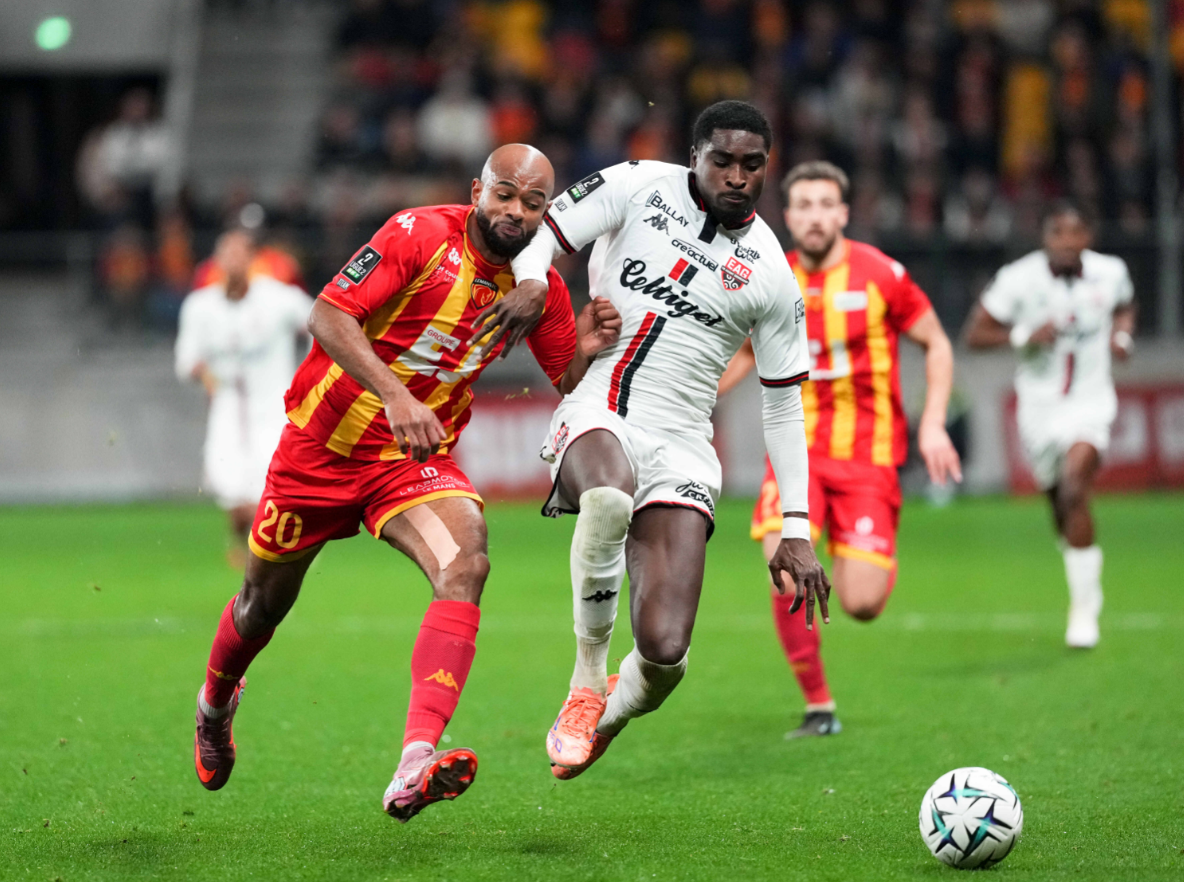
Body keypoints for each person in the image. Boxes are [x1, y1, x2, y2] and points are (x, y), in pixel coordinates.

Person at [190, 145, 623, 823]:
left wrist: (590, 355)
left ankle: (416, 759)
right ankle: (214, 705)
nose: (516, 212)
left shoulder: (542, 288)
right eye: (505, 195)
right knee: (259, 606)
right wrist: (395, 395)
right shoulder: (418, 234)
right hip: (319, 453)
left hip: (409, 464)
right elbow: (329, 316)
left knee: (467, 560)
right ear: (478, 189)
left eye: (533, 203)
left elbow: (568, 380)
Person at [499, 100, 831, 780]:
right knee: (608, 496)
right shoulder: (635, 183)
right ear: (695, 158)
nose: (737, 177)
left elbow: (782, 404)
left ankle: (610, 713)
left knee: (664, 653)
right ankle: (587, 682)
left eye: (752, 165)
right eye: (723, 161)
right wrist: (533, 282)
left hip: (682, 444)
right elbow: (545, 233)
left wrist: (796, 525)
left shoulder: (770, 271)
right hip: (602, 404)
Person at [717, 161, 962, 739]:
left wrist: (932, 424)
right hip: (795, 450)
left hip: (868, 457)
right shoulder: (768, 273)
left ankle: (869, 556)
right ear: (788, 214)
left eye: (826, 204)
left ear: (844, 213)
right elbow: (747, 354)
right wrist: (694, 399)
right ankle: (818, 704)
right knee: (783, 568)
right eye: (802, 205)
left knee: (863, 602)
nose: (814, 216)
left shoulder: (882, 274)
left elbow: (937, 343)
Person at [964, 200, 1135, 648]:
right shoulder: (1018, 279)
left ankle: (1084, 609)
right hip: (1039, 408)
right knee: (1060, 502)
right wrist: (1023, 335)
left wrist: (1122, 335)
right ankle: (1080, 554)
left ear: (1088, 237)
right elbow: (974, 335)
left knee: (1077, 484)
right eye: (1057, 232)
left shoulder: (1111, 272)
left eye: (1074, 232)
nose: (1065, 241)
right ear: (1045, 237)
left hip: (1091, 401)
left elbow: (1125, 305)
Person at [174, 229, 315, 567]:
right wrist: (203, 373)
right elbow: (185, 361)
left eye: (240, 255)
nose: (233, 262)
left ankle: (273, 557)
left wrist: (311, 377)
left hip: (273, 410)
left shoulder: (280, 298)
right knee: (235, 503)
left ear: (252, 259)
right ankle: (256, 548)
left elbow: (321, 325)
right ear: (217, 262)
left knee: (270, 494)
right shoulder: (200, 306)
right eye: (227, 255)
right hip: (226, 412)